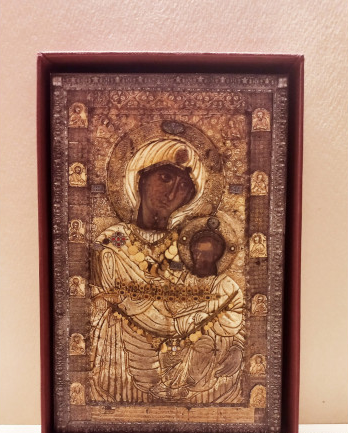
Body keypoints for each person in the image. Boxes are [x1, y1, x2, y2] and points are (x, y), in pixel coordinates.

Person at [88, 138, 245, 403]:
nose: (171, 194)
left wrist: (238, 344)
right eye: (165, 178)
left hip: (184, 346)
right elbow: (96, 302)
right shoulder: (114, 242)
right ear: (140, 178)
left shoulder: (189, 243)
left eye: (183, 187)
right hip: (122, 352)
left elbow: (222, 295)